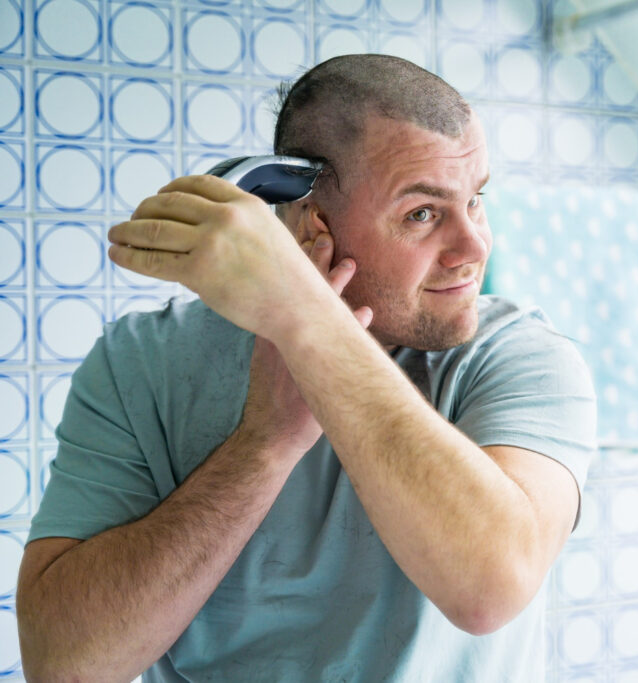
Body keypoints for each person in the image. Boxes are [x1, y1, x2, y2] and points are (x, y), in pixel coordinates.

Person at [16, 54, 596, 681]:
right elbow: (62, 663)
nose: (475, 246)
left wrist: (309, 327)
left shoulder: (519, 354)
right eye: (422, 214)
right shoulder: (140, 361)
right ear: (306, 217)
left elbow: (490, 587)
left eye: (475, 199)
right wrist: (266, 442)